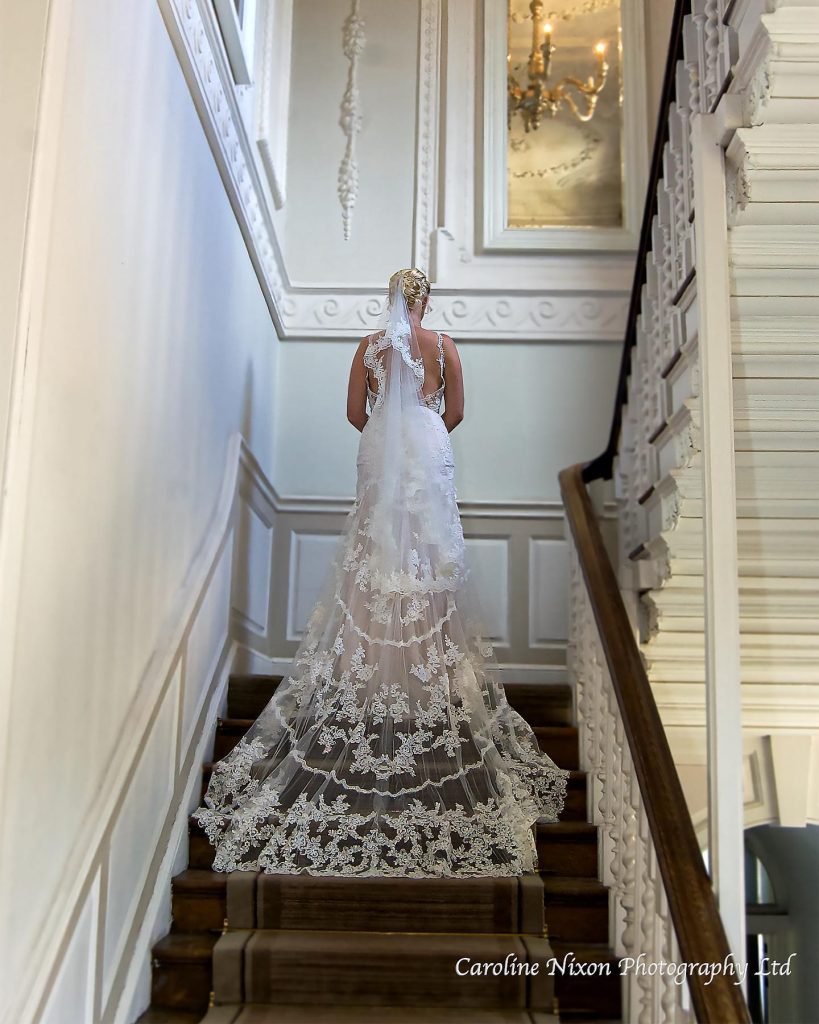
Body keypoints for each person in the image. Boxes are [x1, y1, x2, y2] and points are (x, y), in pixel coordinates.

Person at [194, 268, 568, 877]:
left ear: (390, 299)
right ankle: (425, 684)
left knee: (373, 561)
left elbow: (352, 413)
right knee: (428, 559)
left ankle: (371, 681)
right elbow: (457, 411)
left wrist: (386, 433)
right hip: (425, 440)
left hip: (380, 444)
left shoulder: (368, 346)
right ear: (427, 300)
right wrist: (420, 433)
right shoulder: (444, 344)